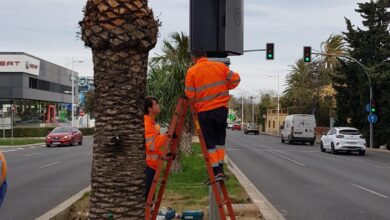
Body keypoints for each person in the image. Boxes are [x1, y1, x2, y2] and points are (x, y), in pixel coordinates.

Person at [185, 48, 240, 182]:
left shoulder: (192, 71)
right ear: (205, 55)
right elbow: (236, 79)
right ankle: (220, 169)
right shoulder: (219, 66)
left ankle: (216, 171)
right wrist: (225, 87)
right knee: (220, 141)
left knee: (210, 143)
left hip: (204, 112)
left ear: (194, 58)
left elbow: (189, 95)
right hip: (220, 110)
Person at [144, 96, 167, 199]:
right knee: (147, 197)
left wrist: (164, 155)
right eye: (156, 104)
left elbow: (155, 148)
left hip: (152, 165)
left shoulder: (153, 124)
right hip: (148, 166)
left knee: (150, 197)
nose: (158, 106)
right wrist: (167, 137)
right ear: (149, 108)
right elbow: (151, 145)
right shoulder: (146, 123)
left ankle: (149, 215)